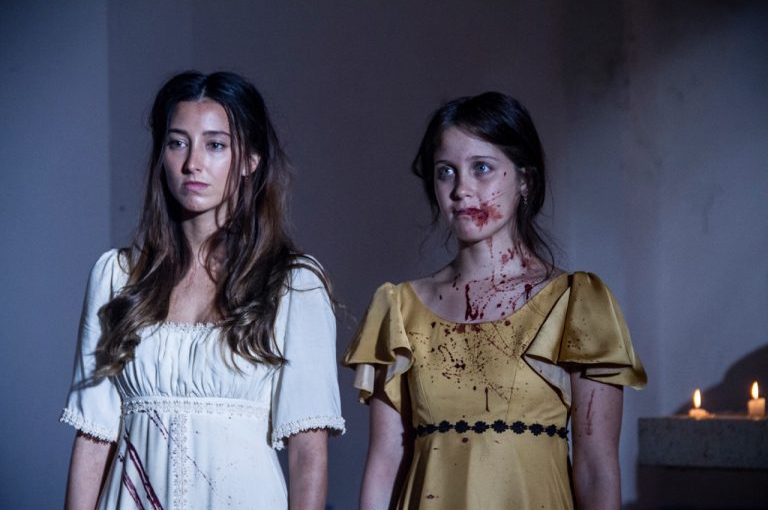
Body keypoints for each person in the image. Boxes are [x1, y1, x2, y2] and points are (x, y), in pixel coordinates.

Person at [343, 92, 646, 509]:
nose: (461, 189)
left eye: (481, 168)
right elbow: (384, 464)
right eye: (445, 172)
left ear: (526, 180)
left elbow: (596, 470)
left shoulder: (576, 303)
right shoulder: (399, 308)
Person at [61, 71, 345, 509]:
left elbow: (308, 452)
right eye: (178, 143)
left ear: (250, 159)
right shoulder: (117, 277)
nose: (192, 163)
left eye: (215, 145)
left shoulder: (293, 284)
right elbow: (93, 437)